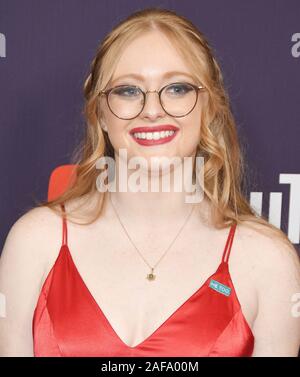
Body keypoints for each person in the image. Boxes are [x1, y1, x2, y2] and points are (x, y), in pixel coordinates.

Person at [0, 7, 300, 357]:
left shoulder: (267, 259)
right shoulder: (35, 243)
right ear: (101, 114)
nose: (152, 109)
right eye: (128, 91)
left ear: (210, 107)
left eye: (176, 88)